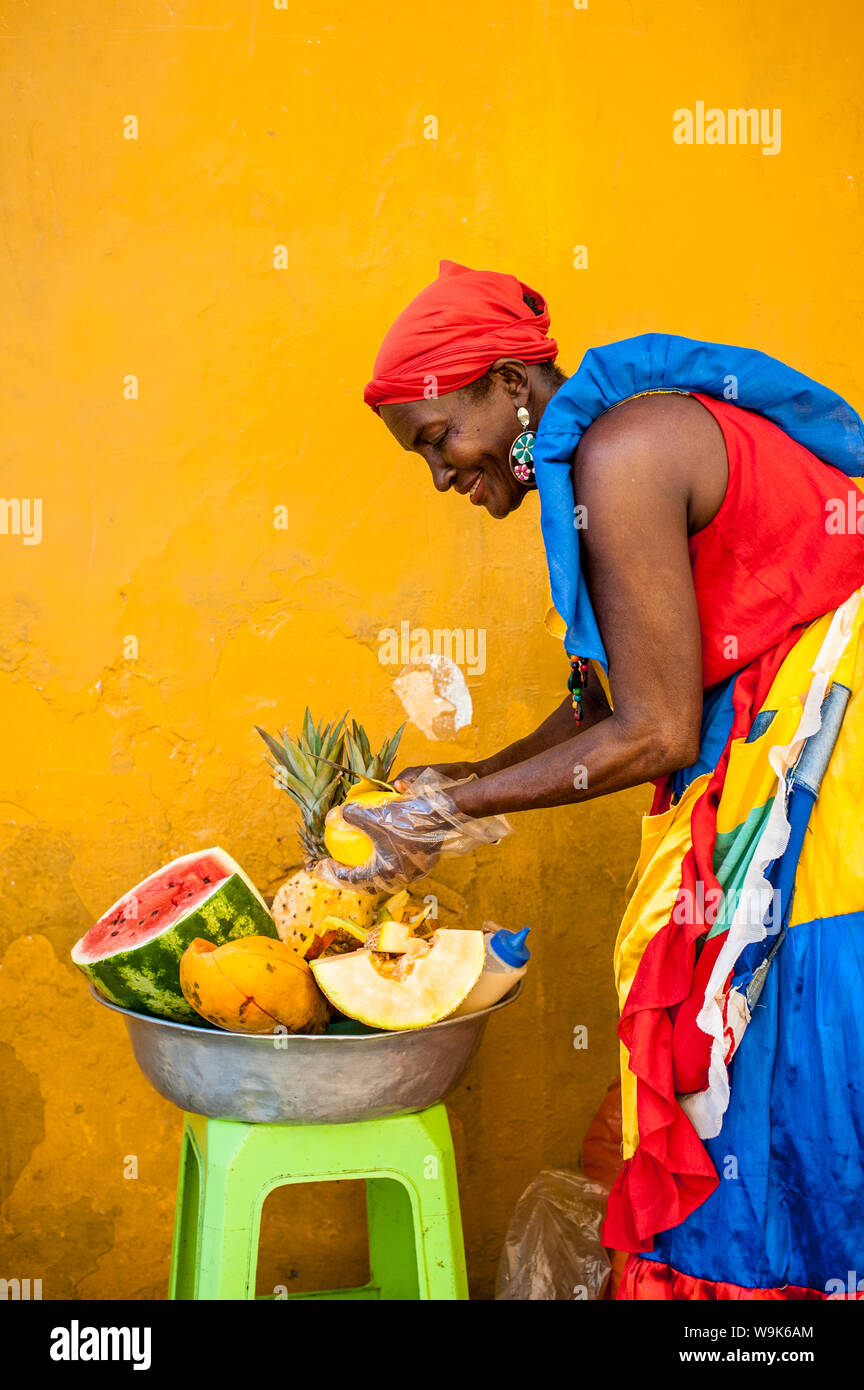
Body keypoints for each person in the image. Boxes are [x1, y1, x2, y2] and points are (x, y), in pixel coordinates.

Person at [323, 259, 864, 1299]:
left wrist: (454, 809)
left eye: (440, 438)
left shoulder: (625, 453)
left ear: (511, 385)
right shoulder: (592, 461)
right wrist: (473, 772)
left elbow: (656, 732)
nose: (441, 474)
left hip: (831, 781)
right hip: (791, 754)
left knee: (791, 1070)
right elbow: (604, 706)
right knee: (763, 1082)